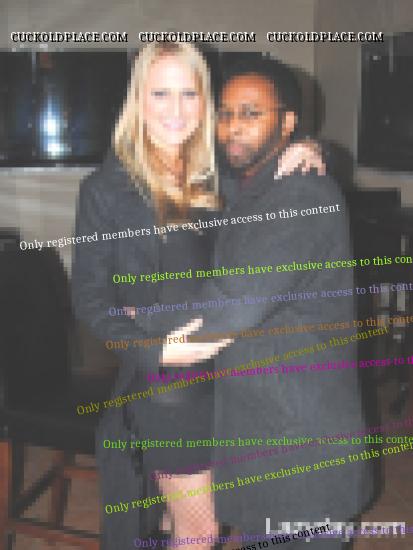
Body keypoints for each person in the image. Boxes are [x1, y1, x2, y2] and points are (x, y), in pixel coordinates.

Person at [71, 44, 322, 550]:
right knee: (201, 530)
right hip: (170, 382)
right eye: (160, 93)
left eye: (189, 94)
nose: (176, 109)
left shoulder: (224, 174)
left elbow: (276, 185)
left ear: (206, 101)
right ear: (138, 100)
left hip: (231, 375)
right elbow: (90, 301)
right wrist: (156, 351)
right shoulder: (106, 189)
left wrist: (310, 148)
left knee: (183, 518)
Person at [136, 56, 375, 549]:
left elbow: (230, 308)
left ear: (287, 123)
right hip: (263, 429)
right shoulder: (248, 188)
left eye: (251, 113)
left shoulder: (300, 194)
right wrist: (321, 148)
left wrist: (138, 322)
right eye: (225, 113)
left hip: (300, 448)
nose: (233, 127)